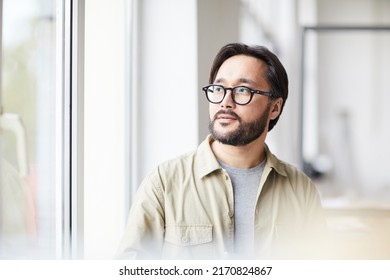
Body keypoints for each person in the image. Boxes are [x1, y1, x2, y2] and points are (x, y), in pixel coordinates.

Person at [117, 43, 328, 260]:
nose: (225, 102)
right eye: (219, 89)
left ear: (274, 108)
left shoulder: (300, 190)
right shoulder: (165, 182)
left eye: (243, 90)